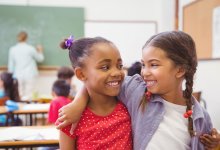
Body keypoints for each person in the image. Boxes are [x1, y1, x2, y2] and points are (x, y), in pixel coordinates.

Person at [57, 31, 220, 150]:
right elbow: (96, 84)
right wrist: (78, 103)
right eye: (144, 64)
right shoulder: (136, 90)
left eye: (153, 65)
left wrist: (215, 145)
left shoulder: (199, 116)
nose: (145, 72)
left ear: (179, 70)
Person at [57, 36, 132, 149]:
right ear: (81, 74)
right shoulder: (71, 118)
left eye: (119, 66)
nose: (116, 72)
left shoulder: (130, 106)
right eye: (105, 67)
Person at [8, 31, 44, 100]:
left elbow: (11, 66)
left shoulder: (12, 49)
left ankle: (20, 109)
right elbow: (40, 59)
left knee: (19, 94)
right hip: (30, 74)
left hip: (18, 75)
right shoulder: (30, 48)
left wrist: (10, 78)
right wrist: (40, 51)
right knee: (30, 95)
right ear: (26, 38)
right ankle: (29, 109)